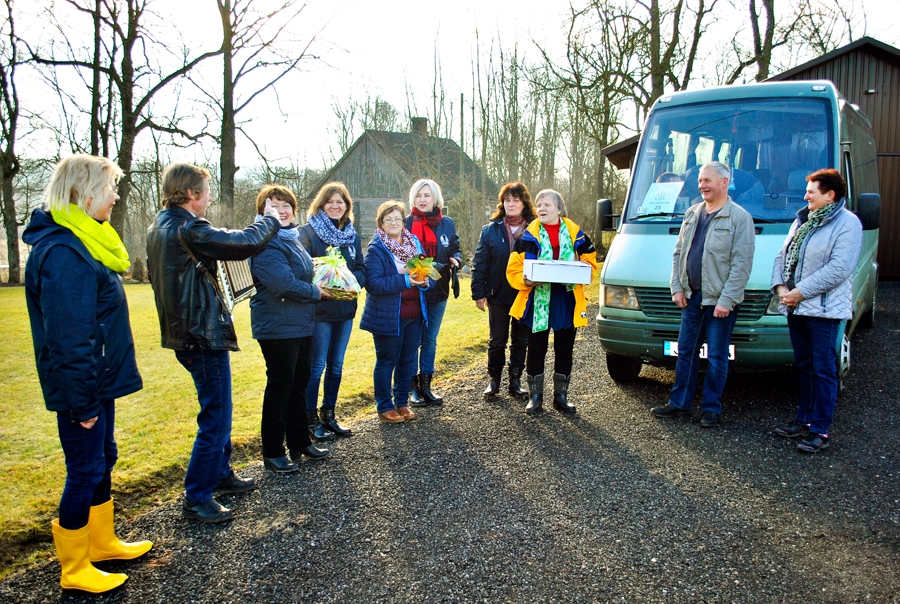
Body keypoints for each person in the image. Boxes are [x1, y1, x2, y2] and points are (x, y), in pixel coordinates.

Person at [24, 154, 151, 593]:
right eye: (110, 187)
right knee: (83, 467)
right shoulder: (63, 252)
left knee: (103, 458)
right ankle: (75, 567)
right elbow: (69, 337)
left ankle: (102, 542)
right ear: (85, 192)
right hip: (83, 386)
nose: (116, 196)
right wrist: (82, 402)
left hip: (98, 379)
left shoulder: (86, 242)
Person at [146, 163, 281, 523]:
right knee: (216, 417)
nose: (210, 198)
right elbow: (244, 243)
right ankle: (197, 496)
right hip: (201, 334)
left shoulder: (161, 225)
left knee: (219, 407)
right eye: (206, 190)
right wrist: (268, 220)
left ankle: (220, 473)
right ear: (191, 194)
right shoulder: (188, 227)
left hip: (184, 331)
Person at [652, 161, 755, 428]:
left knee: (717, 356)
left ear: (724, 182)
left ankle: (711, 408)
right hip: (692, 298)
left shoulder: (739, 218)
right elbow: (679, 254)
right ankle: (679, 404)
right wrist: (677, 287)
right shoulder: (692, 213)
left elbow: (741, 264)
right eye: (700, 181)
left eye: (707, 180)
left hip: (720, 302)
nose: (702, 185)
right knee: (686, 352)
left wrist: (727, 301)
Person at [771, 169, 861, 453]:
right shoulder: (803, 220)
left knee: (823, 370)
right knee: (805, 366)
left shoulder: (848, 224)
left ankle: (820, 430)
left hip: (824, 312)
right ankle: (804, 419)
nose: (805, 195)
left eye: (812, 191)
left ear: (830, 195)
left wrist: (800, 292)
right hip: (796, 307)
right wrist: (781, 288)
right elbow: (782, 255)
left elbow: (839, 268)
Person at [249, 185, 331, 474]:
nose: (281, 211)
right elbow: (282, 283)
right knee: (280, 388)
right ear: (262, 213)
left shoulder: (292, 239)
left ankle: (299, 442)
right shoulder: (265, 242)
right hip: (277, 326)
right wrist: (316, 292)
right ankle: (273, 452)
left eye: (285, 206)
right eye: (273, 207)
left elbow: (302, 272)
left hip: (300, 323)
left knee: (298, 385)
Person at [506, 189, 598, 415]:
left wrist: (583, 272)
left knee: (565, 349)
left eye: (547, 204)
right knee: (536, 349)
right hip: (537, 299)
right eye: (539, 205)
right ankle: (535, 398)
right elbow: (514, 269)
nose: (542, 209)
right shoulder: (526, 237)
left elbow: (590, 263)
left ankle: (561, 398)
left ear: (559, 209)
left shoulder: (578, 235)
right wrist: (525, 281)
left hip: (566, 300)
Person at [299, 182, 365, 440]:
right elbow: (303, 271)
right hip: (320, 311)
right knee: (317, 367)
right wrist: (326, 279)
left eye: (341, 202)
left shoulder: (352, 235)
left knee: (336, 366)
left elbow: (360, 268)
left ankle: (329, 414)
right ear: (321, 203)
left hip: (345, 310)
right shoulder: (307, 233)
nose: (336, 206)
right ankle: (309, 418)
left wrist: (351, 281)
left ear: (347, 206)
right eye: (331, 201)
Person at [360, 201, 431, 423]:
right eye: (388, 219)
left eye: (397, 219)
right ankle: (385, 407)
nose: (393, 223)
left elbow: (426, 270)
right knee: (387, 361)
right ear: (381, 223)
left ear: (404, 222)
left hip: (415, 314)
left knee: (408, 360)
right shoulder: (376, 249)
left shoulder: (414, 243)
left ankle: (402, 402)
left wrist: (426, 280)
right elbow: (373, 283)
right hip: (389, 316)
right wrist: (405, 281)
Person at [472, 181, 537, 398]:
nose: (511, 204)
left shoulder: (536, 229)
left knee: (521, 339)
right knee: (497, 340)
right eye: (507, 200)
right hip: (498, 294)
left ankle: (515, 381)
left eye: (515, 200)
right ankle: (494, 380)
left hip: (525, 294)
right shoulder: (490, 230)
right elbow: (480, 262)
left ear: (524, 203)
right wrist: (478, 293)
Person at [405, 179, 462, 406]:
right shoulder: (406, 223)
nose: (423, 200)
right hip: (413, 292)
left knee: (430, 340)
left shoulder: (447, 223)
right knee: (412, 341)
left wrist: (456, 259)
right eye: (419, 195)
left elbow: (456, 247)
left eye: (427, 195)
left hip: (439, 291)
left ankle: (426, 385)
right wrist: (430, 268)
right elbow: (403, 256)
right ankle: (411, 388)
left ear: (435, 198)